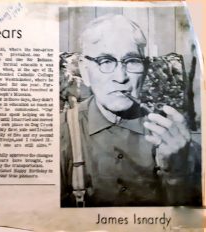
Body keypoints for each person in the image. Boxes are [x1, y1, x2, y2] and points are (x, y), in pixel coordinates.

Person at [60, 14, 201, 207]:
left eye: (132, 61)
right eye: (106, 61)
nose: (121, 77)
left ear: (144, 69)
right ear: (85, 71)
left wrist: (178, 172)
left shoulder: (172, 137)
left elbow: (189, 218)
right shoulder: (61, 133)